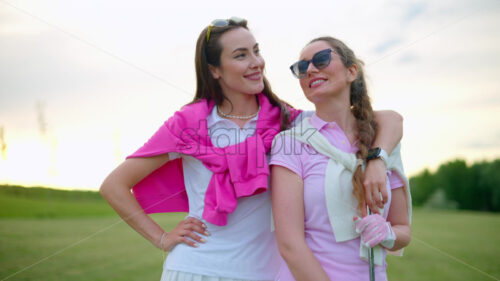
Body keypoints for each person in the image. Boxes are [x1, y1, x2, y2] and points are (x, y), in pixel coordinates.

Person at [100, 18, 403, 281]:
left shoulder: (289, 121)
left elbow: (387, 119)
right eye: (241, 55)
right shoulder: (188, 123)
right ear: (215, 70)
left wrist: (377, 160)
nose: (256, 62)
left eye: (256, 51)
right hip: (194, 268)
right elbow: (114, 186)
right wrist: (162, 238)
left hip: (262, 272)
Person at [270, 36, 412, 281]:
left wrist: (387, 233)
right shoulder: (290, 143)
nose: (311, 69)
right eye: (301, 68)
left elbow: (403, 230)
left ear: (351, 71)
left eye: (321, 59)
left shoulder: (383, 142)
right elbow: (290, 246)